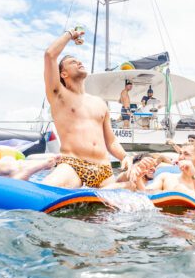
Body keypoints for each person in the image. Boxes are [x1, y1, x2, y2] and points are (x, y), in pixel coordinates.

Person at [42, 27, 132, 189]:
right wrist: (70, 34)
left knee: (122, 199)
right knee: (46, 192)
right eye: (72, 62)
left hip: (103, 170)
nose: (79, 62)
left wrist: (125, 156)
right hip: (73, 165)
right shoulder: (59, 96)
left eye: (79, 60)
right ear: (63, 74)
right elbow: (49, 55)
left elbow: (110, 141)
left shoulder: (99, 102)